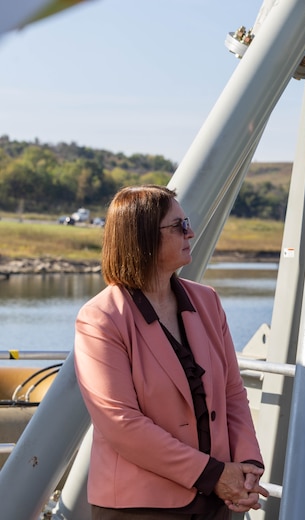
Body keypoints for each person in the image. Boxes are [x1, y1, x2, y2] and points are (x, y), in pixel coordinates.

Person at [73, 185, 268, 519]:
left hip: (217, 500)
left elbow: (232, 392)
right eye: (178, 226)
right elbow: (121, 423)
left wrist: (248, 463)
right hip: (140, 505)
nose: (190, 232)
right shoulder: (101, 318)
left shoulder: (207, 301)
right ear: (142, 235)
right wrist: (213, 475)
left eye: (186, 222)